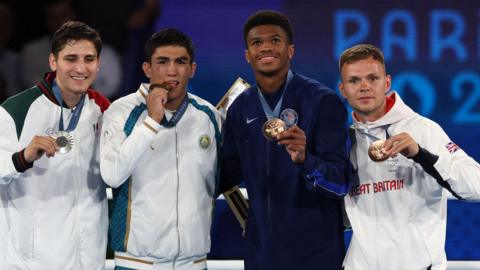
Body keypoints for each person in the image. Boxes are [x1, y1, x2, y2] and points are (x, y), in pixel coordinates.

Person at [220, 10, 351, 270]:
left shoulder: (323, 102)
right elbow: (227, 174)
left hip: (316, 255)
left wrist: (306, 160)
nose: (266, 47)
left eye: (275, 40)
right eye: (257, 42)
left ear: (290, 50)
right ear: (248, 55)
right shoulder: (240, 108)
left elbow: (340, 182)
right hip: (262, 255)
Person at [338, 44, 480, 270]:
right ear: (343, 89)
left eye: (372, 78)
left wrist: (421, 155)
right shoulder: (343, 141)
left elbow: (476, 185)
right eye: (354, 81)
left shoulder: (423, 130)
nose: (364, 86)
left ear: (387, 83)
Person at [100, 28, 221, 270]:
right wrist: (151, 121)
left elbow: (220, 178)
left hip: (194, 263)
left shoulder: (208, 115)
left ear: (192, 69)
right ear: (147, 69)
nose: (172, 71)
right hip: (137, 263)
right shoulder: (121, 111)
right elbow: (112, 175)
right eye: (163, 62)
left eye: (181, 62)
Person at [0, 21, 109, 269]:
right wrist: (22, 158)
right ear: (53, 61)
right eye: (71, 58)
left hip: (88, 257)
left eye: (89, 59)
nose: (80, 67)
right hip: (31, 261)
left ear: (98, 64)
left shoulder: (104, 110)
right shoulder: (16, 110)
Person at [19, 0, 122, 99]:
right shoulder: (31, 53)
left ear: (76, 16)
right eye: (52, 17)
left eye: (64, 15)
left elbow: (110, 93)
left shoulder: (105, 53)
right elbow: (39, 92)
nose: (59, 22)